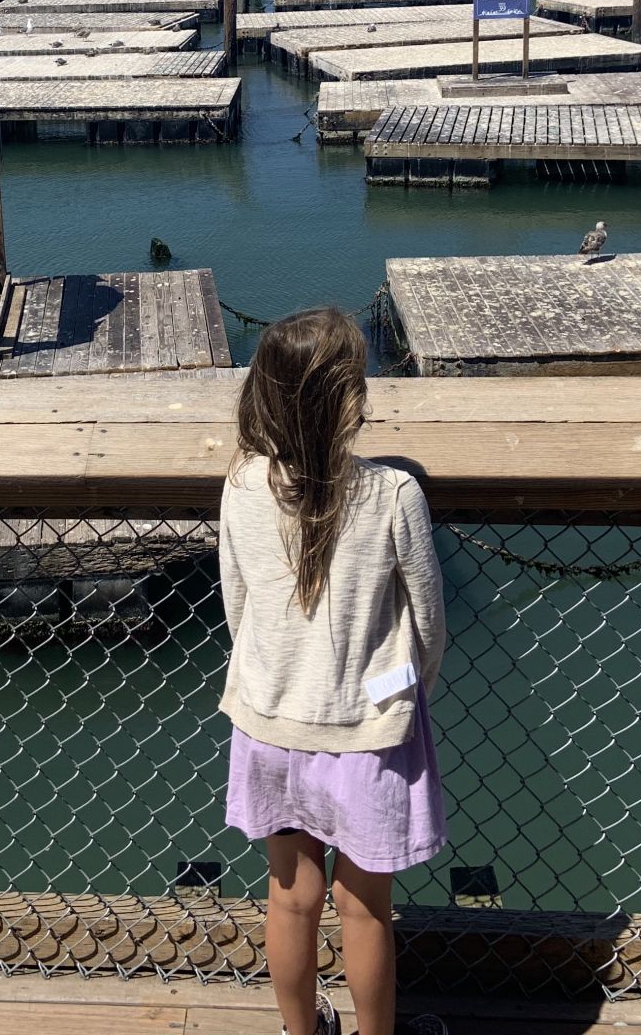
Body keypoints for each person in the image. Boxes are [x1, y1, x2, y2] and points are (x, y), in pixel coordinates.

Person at [219, 308, 448, 1035]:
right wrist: (401, 694)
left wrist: (274, 678)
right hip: (366, 734)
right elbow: (429, 629)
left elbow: (236, 607)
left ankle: (300, 1032)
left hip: (270, 723)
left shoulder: (242, 485)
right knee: (364, 907)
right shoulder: (394, 495)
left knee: (290, 898)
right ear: (351, 401)